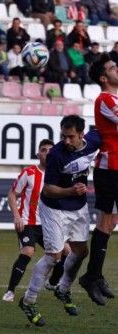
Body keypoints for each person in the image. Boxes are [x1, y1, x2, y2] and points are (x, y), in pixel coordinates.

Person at [19, 115, 101, 327]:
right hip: (54, 207)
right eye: (63, 136)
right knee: (54, 256)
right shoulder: (56, 154)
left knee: (82, 251)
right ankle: (28, 300)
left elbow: (109, 134)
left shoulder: (93, 141)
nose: (66, 140)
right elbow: (48, 189)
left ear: (81, 134)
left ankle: (63, 289)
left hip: (78, 207)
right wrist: (70, 190)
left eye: (70, 137)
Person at [3, 139, 69, 303]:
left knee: (67, 252)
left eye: (50, 150)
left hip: (49, 224)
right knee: (28, 251)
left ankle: (52, 282)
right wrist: (16, 216)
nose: (47, 153)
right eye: (43, 150)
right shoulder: (29, 172)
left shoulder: (59, 175)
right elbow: (12, 194)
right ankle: (10, 291)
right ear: (38, 154)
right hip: (28, 223)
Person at [79, 53, 118, 306]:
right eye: (114, 67)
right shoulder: (105, 99)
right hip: (110, 167)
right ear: (104, 78)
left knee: (111, 221)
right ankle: (91, 277)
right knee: (106, 221)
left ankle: (95, 274)